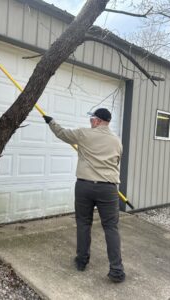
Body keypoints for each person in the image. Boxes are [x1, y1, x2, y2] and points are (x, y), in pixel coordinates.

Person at [43, 108, 125, 283]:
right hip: (108, 189)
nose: (90, 122)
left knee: (83, 223)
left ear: (97, 121)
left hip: (84, 186)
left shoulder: (83, 134)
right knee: (111, 228)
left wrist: (51, 121)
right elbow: (117, 161)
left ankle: (81, 261)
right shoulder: (117, 141)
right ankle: (116, 270)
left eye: (92, 119)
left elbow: (62, 133)